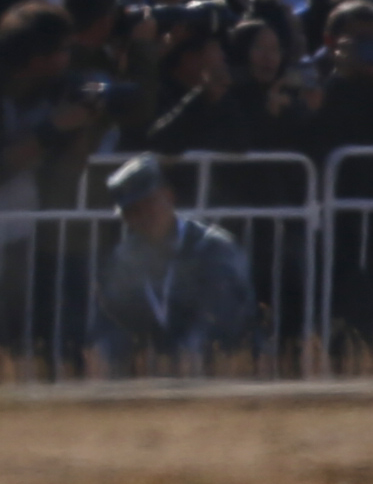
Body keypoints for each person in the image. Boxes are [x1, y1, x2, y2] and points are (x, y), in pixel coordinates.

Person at [86, 155, 258, 375]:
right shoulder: (124, 259)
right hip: (157, 381)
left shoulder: (214, 248)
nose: (144, 216)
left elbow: (225, 317)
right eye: (133, 211)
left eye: (149, 203)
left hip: (222, 369)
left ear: (169, 196)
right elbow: (109, 319)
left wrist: (185, 358)